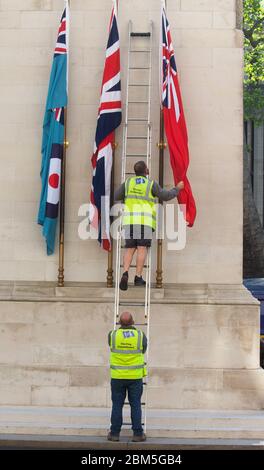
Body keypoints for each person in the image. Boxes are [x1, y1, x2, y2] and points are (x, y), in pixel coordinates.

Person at [115, 160, 184, 290]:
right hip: (145, 222)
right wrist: (177, 189)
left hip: (129, 221)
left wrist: (129, 196)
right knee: (142, 248)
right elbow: (166, 196)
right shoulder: (151, 184)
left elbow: (116, 196)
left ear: (135, 172)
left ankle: (125, 273)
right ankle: (138, 277)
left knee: (129, 249)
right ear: (146, 171)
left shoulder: (128, 183)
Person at [107, 311, 148, 442]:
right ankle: (137, 434)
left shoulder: (112, 335)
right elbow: (144, 349)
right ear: (133, 322)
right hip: (135, 377)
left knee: (117, 405)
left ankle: (114, 434)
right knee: (135, 404)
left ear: (119, 323)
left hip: (117, 377)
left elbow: (111, 346)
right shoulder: (140, 335)